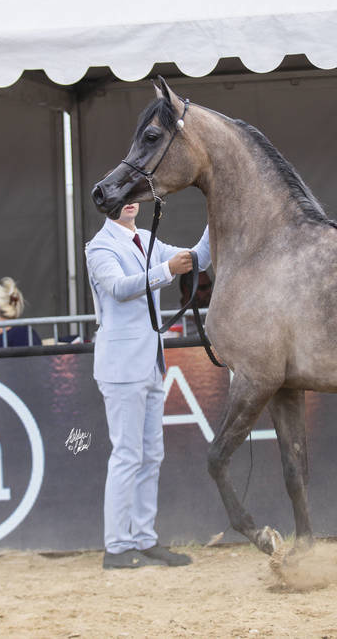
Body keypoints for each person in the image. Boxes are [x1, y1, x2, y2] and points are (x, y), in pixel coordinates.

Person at [85, 201, 210, 570]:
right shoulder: (99, 247)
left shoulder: (147, 239)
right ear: (107, 203)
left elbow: (197, 256)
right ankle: (117, 545)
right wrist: (166, 270)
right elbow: (120, 288)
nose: (130, 199)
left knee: (151, 454)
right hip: (122, 365)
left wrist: (215, 214)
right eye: (122, 194)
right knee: (127, 454)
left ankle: (144, 537)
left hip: (150, 361)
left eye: (135, 193)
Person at [174, 269, 213, 338]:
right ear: (187, 290)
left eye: (210, 285)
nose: (209, 291)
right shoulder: (170, 317)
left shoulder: (212, 314)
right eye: (203, 287)